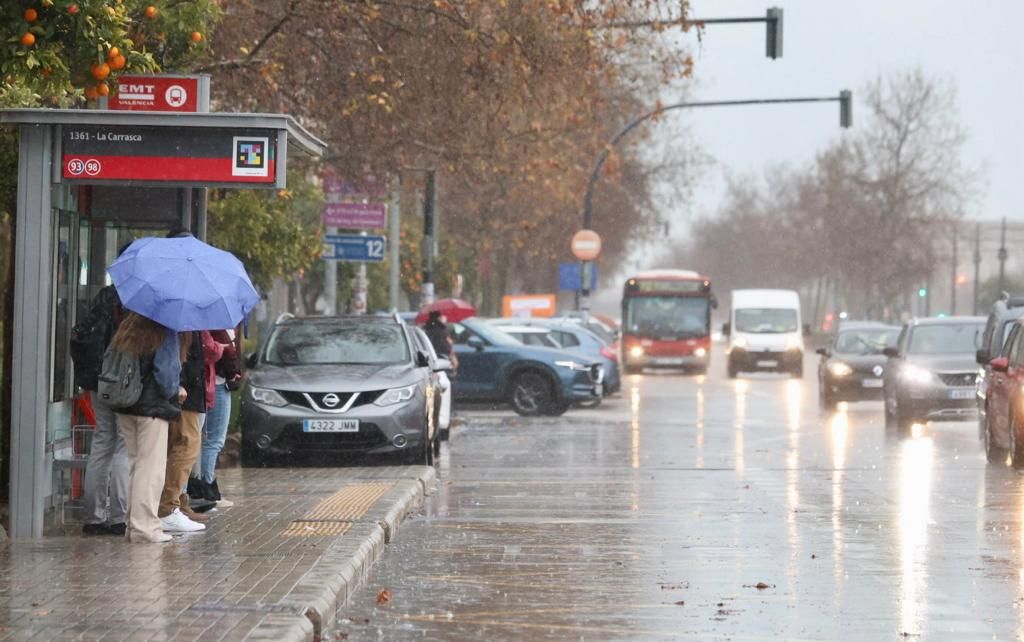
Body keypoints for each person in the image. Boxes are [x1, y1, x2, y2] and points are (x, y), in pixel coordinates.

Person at [110, 311, 185, 543]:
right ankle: (145, 528)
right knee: (151, 469)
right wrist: (176, 391)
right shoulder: (164, 328)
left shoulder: (128, 326)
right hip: (151, 407)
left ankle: (132, 525)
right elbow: (166, 373)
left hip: (127, 405)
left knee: (136, 466)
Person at [69, 246, 129, 536]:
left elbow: (79, 335)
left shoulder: (105, 297)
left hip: (97, 382)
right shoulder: (135, 301)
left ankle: (94, 518)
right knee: (123, 445)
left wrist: (87, 376)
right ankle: (119, 517)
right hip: (125, 383)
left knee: (102, 443)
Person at [158, 330, 226, 532]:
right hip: (184, 394)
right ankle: (168, 508)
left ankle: (174, 503)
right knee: (186, 445)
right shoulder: (181, 324)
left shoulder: (188, 325)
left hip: (188, 391)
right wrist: (180, 383)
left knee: (181, 446)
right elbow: (178, 355)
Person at [193, 328, 241, 506]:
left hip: (218, 383)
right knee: (213, 440)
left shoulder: (226, 325)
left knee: (208, 440)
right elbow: (212, 352)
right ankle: (207, 488)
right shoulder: (214, 324)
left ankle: (204, 486)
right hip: (216, 384)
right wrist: (226, 351)